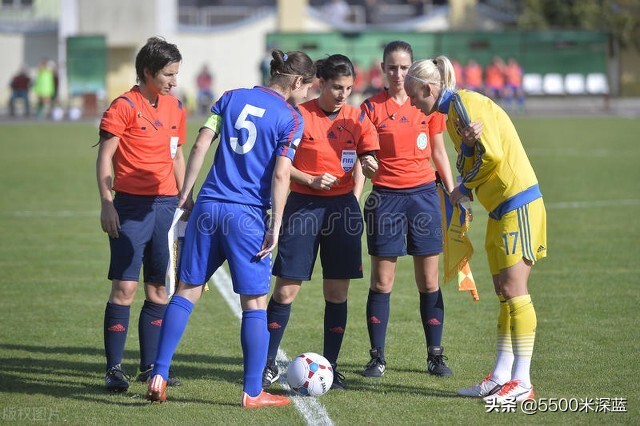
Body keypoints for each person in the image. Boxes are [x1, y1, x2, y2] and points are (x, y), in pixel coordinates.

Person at [146, 49, 316, 408]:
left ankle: (159, 373)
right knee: (254, 303)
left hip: (208, 206)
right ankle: (252, 392)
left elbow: (200, 144)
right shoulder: (291, 117)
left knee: (186, 292)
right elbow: (282, 173)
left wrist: (186, 194)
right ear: (296, 81)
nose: (308, 95)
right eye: (308, 87)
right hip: (247, 215)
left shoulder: (231, 98)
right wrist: (277, 224)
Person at [404, 55, 547, 403]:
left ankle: (523, 382)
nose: (411, 102)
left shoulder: (463, 105)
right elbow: (473, 157)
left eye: (414, 95)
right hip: (499, 209)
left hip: (519, 206)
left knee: (515, 291)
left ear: (428, 87)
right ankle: (501, 376)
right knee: (502, 291)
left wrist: (463, 187)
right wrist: (467, 149)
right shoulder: (451, 114)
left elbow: (494, 158)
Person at [261, 54, 379, 391]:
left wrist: (368, 168)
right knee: (286, 289)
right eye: (336, 87)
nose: (343, 94)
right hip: (302, 206)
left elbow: (369, 160)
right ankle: (267, 364)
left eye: (348, 88)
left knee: (337, 292)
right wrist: (309, 179)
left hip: (342, 210)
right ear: (321, 84)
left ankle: (331, 366)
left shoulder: (358, 118)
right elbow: (279, 166)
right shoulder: (298, 116)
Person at [359, 41, 455, 378]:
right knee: (382, 282)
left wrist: (453, 191)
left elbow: (439, 153)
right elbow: (363, 157)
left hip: (425, 197)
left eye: (404, 68)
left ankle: (436, 355)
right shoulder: (370, 108)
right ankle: (377, 357)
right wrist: (357, 191)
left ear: (413, 69)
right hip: (385, 198)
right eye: (392, 67)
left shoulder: (427, 106)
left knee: (429, 280)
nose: (398, 74)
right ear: (383, 69)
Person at [96, 37, 187, 392]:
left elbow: (177, 155)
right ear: (147, 72)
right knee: (125, 287)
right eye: (167, 74)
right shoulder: (122, 106)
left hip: (166, 206)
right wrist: (107, 202)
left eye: (176, 74)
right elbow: (105, 157)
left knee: (158, 289)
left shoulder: (175, 107)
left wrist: (187, 197)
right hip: (130, 206)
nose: (173, 81)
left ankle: (151, 368)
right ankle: (114, 369)